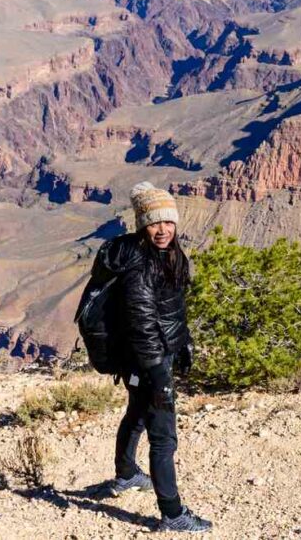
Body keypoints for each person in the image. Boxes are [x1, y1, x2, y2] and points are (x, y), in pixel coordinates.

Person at [107, 181, 212, 533]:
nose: (163, 230)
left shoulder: (168, 254)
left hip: (151, 356)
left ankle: (125, 475)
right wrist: (159, 374)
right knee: (164, 435)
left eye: (168, 222)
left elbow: (170, 309)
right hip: (148, 359)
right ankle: (172, 513)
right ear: (142, 225)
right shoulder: (139, 266)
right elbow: (142, 323)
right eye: (154, 223)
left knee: (136, 412)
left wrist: (184, 341)